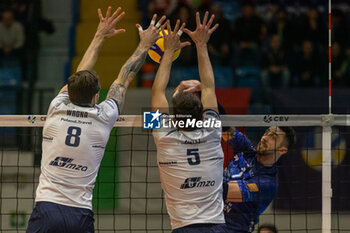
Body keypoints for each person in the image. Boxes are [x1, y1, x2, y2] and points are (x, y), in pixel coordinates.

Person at [26, 7, 166, 233]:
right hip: (79, 213)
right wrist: (145, 45)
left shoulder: (56, 108)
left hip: (46, 209)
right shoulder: (104, 117)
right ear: (95, 97)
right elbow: (125, 77)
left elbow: (80, 73)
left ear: (69, 91)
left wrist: (99, 35)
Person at [151, 12, 227, 232]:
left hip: (184, 227)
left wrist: (168, 52)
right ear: (202, 116)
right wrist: (201, 45)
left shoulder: (163, 135)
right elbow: (209, 87)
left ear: (174, 118)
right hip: (216, 226)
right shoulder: (213, 130)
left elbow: (157, 91)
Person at [223, 126, 295, 233]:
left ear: (282, 150)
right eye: (267, 132)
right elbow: (224, 127)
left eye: (273, 137)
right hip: (211, 221)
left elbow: (225, 191)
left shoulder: (268, 183)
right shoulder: (247, 149)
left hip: (233, 229)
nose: (265, 138)